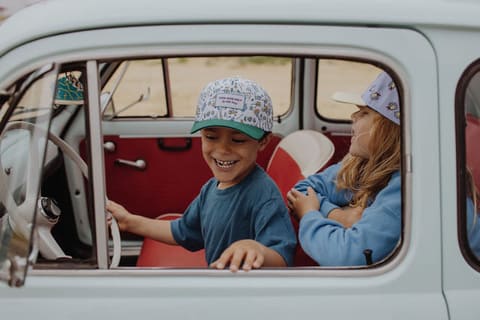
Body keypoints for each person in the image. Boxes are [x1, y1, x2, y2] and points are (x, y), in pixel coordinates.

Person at [107, 76, 296, 271]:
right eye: (211, 137)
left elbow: (282, 257)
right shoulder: (211, 188)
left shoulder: (264, 196)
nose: (222, 150)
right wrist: (130, 222)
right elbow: (183, 230)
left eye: (238, 140)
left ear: (263, 141)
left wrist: (258, 250)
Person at [286, 71, 401, 266]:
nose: (353, 116)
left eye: (364, 113)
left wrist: (309, 214)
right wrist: (339, 215)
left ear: (388, 130)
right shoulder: (362, 164)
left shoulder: (406, 189)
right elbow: (303, 189)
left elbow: (345, 255)